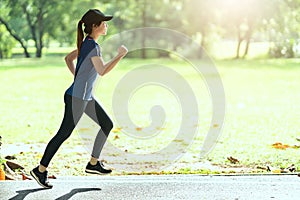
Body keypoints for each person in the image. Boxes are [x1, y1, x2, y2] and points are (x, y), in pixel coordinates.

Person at [30, 9, 128, 189]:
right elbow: (102, 71)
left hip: (84, 97)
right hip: (76, 98)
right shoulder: (92, 46)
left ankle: (93, 164)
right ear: (94, 26)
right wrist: (120, 55)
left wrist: (78, 79)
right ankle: (40, 170)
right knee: (63, 134)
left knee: (106, 124)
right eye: (103, 23)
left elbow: (68, 59)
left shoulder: (87, 44)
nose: (106, 26)